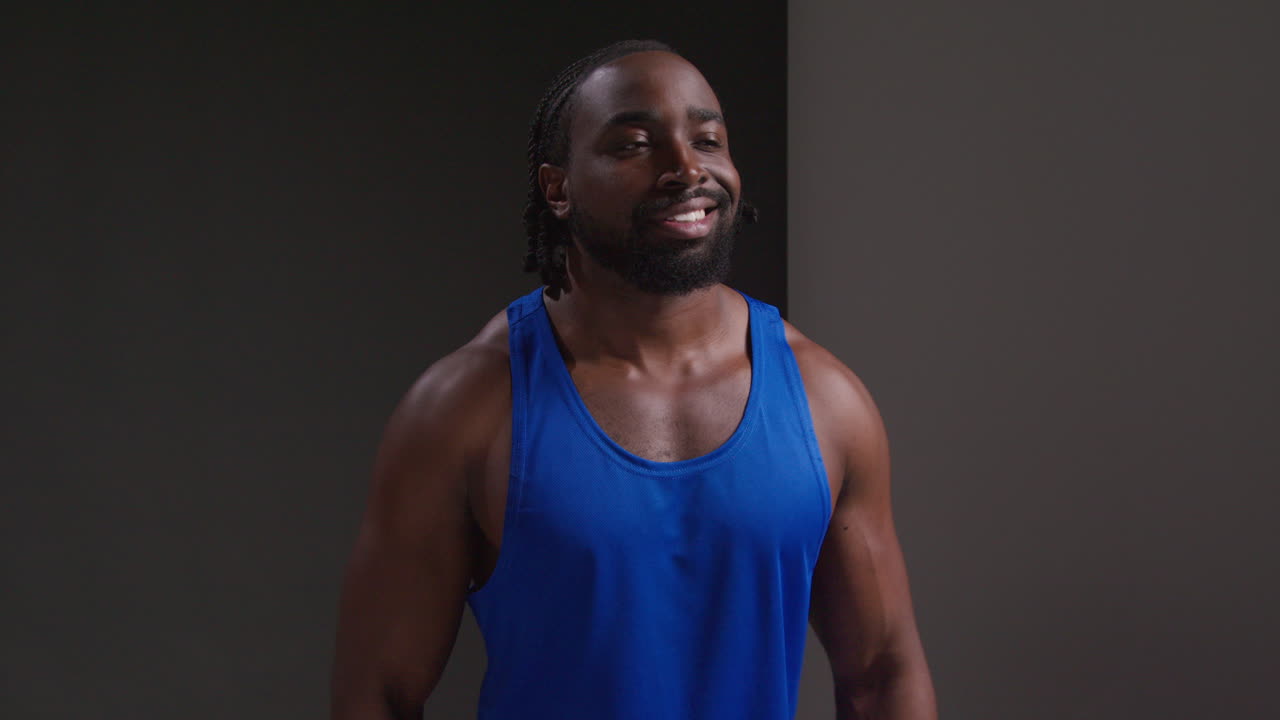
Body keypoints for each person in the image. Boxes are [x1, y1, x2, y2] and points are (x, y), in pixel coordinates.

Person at [330, 39, 937, 720]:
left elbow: (883, 673)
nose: (685, 169)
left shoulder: (826, 400)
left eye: (707, 140)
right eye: (634, 146)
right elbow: (374, 692)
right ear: (558, 188)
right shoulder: (468, 408)